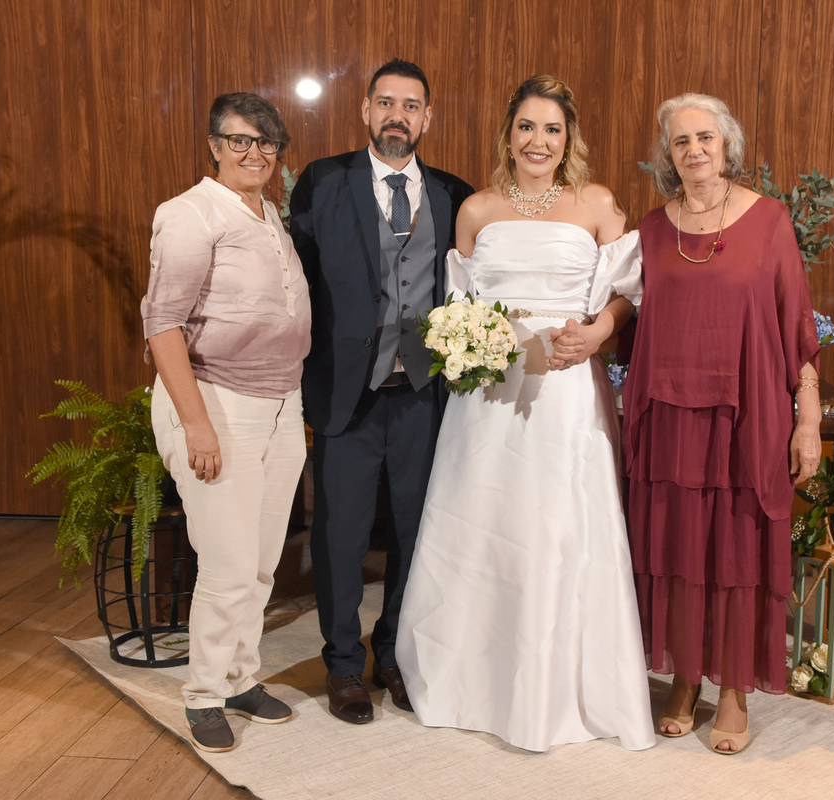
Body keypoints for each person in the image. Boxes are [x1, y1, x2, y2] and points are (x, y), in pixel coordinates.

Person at [395, 75, 657, 753]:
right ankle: (471, 682)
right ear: (508, 135)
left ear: (569, 139)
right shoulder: (476, 210)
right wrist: (467, 341)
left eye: (552, 129)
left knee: (555, 522)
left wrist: (597, 334)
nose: (538, 141)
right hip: (487, 392)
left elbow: (627, 293)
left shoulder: (597, 203)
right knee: (483, 521)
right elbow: (458, 304)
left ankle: (557, 689)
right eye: (527, 127)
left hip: (564, 384)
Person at [622, 93, 821, 755]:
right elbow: (628, 317)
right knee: (679, 550)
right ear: (668, 155)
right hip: (671, 416)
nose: (695, 150)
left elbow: (797, 325)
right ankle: (684, 680)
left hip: (747, 416)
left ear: (727, 144)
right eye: (681, 141)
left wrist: (808, 420)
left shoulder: (769, 220)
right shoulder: (653, 229)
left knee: (736, 553)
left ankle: (733, 688)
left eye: (705, 137)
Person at [289, 59, 474, 725]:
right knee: (339, 535)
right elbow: (298, 282)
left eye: (411, 105)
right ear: (366, 111)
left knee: (415, 531)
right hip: (348, 393)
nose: (398, 115)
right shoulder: (322, 182)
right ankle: (343, 664)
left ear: (427, 117)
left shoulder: (454, 195)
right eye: (386, 103)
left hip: (424, 396)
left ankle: (393, 653)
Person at [141, 92, 310, 753]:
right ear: (214, 145)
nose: (255, 154)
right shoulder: (189, 214)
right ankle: (204, 693)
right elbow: (162, 326)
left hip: (280, 404)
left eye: (267, 143)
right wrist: (197, 425)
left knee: (262, 563)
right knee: (229, 563)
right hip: (216, 402)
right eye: (240, 141)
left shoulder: (267, 212)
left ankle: (241, 677)